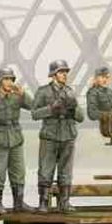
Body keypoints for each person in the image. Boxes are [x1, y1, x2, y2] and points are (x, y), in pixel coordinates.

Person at [0, 66, 34, 214]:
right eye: (6, 79)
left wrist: (23, 94)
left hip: (15, 139)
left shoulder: (16, 96)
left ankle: (19, 203)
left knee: (19, 172)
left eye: (11, 79)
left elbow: (33, 106)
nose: (10, 82)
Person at [31, 59, 83, 213]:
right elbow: (34, 114)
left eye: (66, 72)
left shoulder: (70, 92)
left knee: (66, 171)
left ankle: (64, 203)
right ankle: (43, 203)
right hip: (50, 136)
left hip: (68, 135)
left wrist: (73, 109)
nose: (65, 74)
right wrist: (51, 109)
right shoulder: (43, 92)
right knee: (45, 170)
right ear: (53, 75)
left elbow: (81, 117)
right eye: (61, 72)